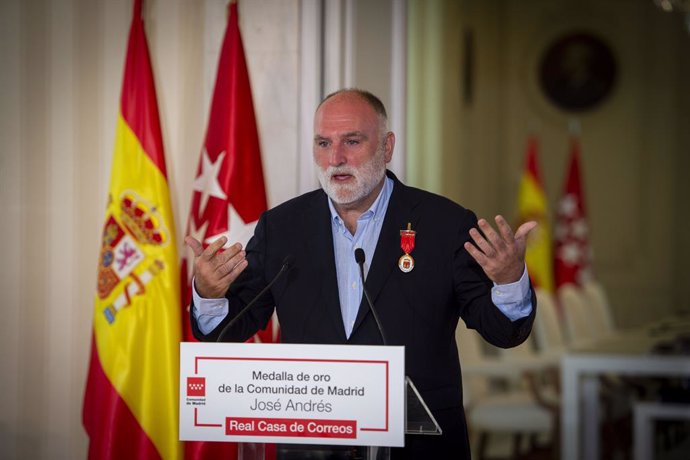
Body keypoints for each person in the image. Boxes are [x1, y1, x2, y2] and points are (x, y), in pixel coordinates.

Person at [186, 89, 537, 459]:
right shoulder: (283, 227)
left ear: (387, 147)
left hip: (418, 445)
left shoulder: (444, 224)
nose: (335, 158)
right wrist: (209, 294)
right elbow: (231, 328)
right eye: (324, 143)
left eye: (352, 141)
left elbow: (501, 331)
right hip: (312, 445)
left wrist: (508, 280)